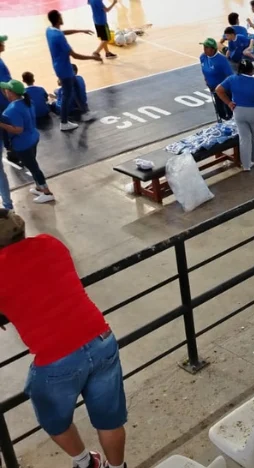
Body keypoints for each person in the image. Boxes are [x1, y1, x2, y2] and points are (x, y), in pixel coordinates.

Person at [0, 211, 128, 468]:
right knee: (110, 419)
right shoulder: (51, 243)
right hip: (101, 338)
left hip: (56, 357)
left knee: (52, 416)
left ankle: (84, 462)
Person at [0, 80, 55, 203]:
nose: (4, 92)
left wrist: (1, 124)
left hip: (22, 144)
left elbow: (18, 130)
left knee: (34, 168)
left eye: (6, 90)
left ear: (11, 93)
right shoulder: (28, 102)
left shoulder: (12, 110)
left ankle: (47, 192)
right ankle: (39, 188)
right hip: (33, 137)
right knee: (32, 164)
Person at [47, 10, 101, 131]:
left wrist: (80, 31)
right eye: (60, 16)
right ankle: (64, 122)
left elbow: (62, 32)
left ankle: (85, 112)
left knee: (76, 86)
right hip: (65, 69)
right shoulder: (59, 36)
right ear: (58, 19)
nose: (62, 17)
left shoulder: (49, 30)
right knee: (67, 95)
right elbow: (75, 55)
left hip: (59, 66)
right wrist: (93, 57)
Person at [216, 60, 254, 171]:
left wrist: (229, 103)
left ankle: (246, 165)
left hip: (238, 111)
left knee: (244, 139)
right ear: (251, 70)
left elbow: (218, 90)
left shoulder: (232, 79)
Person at [199, 38, 234, 121]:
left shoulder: (222, 60)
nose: (204, 49)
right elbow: (204, 69)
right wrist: (206, 80)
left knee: (229, 111)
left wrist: (222, 87)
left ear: (213, 49)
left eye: (206, 47)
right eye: (204, 47)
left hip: (224, 91)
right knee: (220, 111)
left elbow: (230, 76)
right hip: (213, 90)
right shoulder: (203, 57)